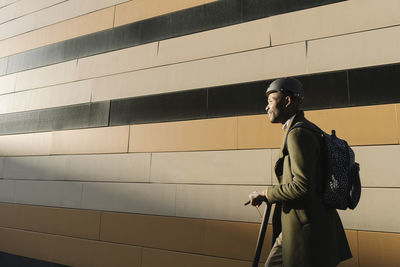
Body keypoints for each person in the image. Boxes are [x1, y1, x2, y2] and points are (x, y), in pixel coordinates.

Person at [248, 77, 352, 267]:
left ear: (287, 101)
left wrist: (266, 193)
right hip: (298, 226)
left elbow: (303, 186)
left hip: (307, 229)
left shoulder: (298, 134)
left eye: (271, 101)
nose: (267, 107)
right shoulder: (304, 130)